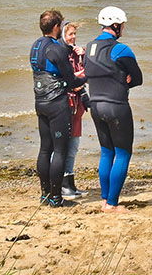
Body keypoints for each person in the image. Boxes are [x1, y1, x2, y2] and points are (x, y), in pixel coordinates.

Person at [83, 6, 143, 213]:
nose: (123, 29)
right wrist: (124, 79)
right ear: (116, 25)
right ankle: (112, 204)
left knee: (106, 152)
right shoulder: (121, 49)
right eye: (122, 25)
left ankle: (104, 200)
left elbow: (89, 74)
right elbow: (138, 78)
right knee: (123, 152)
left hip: (95, 106)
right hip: (116, 106)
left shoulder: (89, 47)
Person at [30, 9, 87, 207]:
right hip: (57, 104)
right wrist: (88, 75)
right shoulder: (56, 49)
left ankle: (45, 195)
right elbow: (71, 81)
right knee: (60, 151)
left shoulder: (35, 46)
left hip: (40, 102)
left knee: (45, 148)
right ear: (56, 27)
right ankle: (56, 198)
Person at [60, 20, 89, 200]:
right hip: (66, 104)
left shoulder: (75, 53)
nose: (73, 37)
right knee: (64, 146)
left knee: (74, 146)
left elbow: (86, 72)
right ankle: (63, 184)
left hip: (77, 106)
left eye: (75, 34)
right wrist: (77, 78)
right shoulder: (60, 54)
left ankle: (70, 183)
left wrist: (84, 56)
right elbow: (66, 79)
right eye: (70, 34)